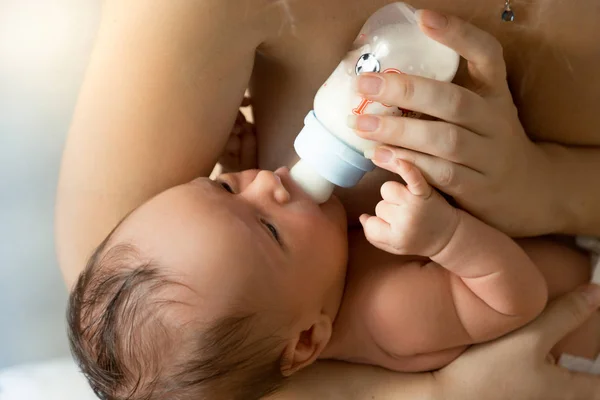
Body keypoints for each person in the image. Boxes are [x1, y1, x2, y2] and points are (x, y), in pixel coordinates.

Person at [56, 0, 600, 398]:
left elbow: (228, 260)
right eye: (268, 229)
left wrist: (237, 165)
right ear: (308, 340)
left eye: (225, 189)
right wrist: (448, 238)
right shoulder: (390, 313)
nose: (268, 183)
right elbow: (516, 298)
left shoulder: (292, 284)